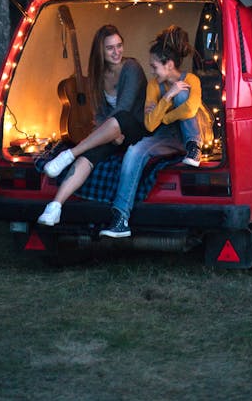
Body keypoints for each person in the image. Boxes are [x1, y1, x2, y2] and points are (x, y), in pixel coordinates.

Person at [99, 24, 204, 240]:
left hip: (188, 132)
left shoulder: (191, 79)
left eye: (155, 67)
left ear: (169, 64)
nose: (152, 71)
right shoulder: (154, 87)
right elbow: (149, 125)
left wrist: (163, 113)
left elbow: (190, 110)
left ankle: (194, 147)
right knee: (134, 151)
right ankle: (120, 219)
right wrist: (167, 98)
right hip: (165, 136)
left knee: (183, 95)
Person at [37, 24, 147, 227]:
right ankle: (55, 207)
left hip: (135, 129)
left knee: (119, 119)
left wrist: (112, 130)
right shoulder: (97, 75)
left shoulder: (132, 68)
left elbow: (125, 108)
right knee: (89, 157)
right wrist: (109, 134)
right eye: (110, 48)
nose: (117, 52)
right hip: (112, 133)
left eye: (119, 46)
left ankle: (69, 154)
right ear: (100, 51)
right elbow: (98, 114)